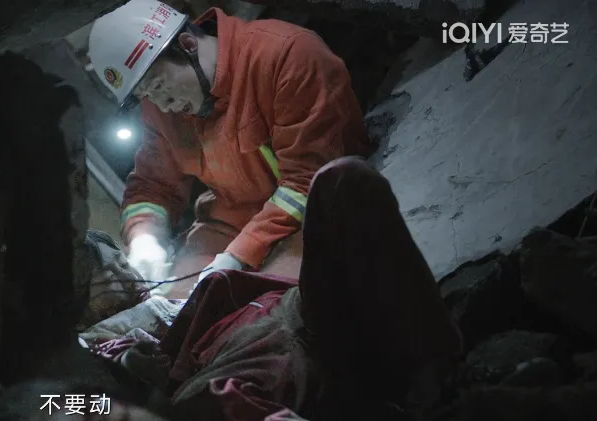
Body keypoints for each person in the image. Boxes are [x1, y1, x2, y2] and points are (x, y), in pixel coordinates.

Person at [88, 157, 463, 421]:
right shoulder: (97, 349)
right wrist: (129, 367)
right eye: (106, 273)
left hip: (293, 314)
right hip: (254, 368)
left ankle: (435, 368)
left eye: (119, 261)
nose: (122, 272)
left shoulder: (174, 287)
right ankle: (431, 380)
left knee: (344, 180)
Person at [87, 0, 374, 295]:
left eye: (158, 86)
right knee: (176, 305)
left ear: (188, 45)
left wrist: (239, 255)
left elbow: (309, 181)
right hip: (234, 222)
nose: (162, 105)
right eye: (146, 95)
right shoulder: (162, 110)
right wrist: (144, 238)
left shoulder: (286, 55)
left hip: (319, 208)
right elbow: (151, 187)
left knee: (281, 303)